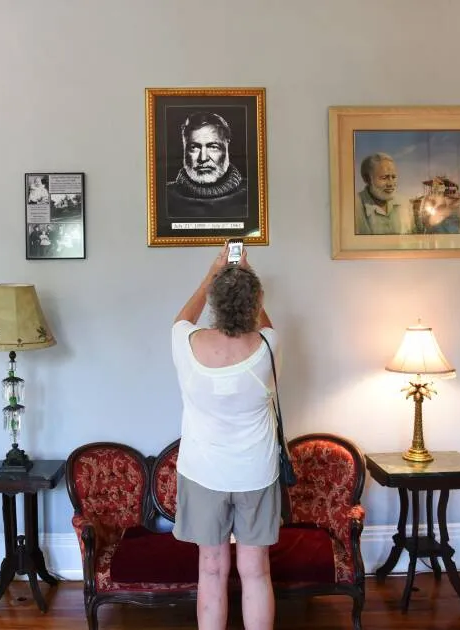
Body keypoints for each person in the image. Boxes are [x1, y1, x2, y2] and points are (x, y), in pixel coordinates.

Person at [171, 244, 278, 630]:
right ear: (255, 301)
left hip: (203, 473)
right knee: (256, 571)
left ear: (215, 300)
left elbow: (183, 318)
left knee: (211, 570)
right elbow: (266, 325)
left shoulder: (186, 343)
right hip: (256, 473)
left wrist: (212, 275)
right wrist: (248, 278)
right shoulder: (267, 345)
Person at [166, 112, 249, 219]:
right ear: (184, 150)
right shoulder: (163, 197)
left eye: (213, 147)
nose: (203, 158)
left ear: (227, 147)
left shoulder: (253, 194)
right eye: (194, 147)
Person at [354, 152, 415, 235]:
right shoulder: (354, 206)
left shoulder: (405, 203)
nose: (391, 183)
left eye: (393, 177)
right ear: (367, 179)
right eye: (384, 177)